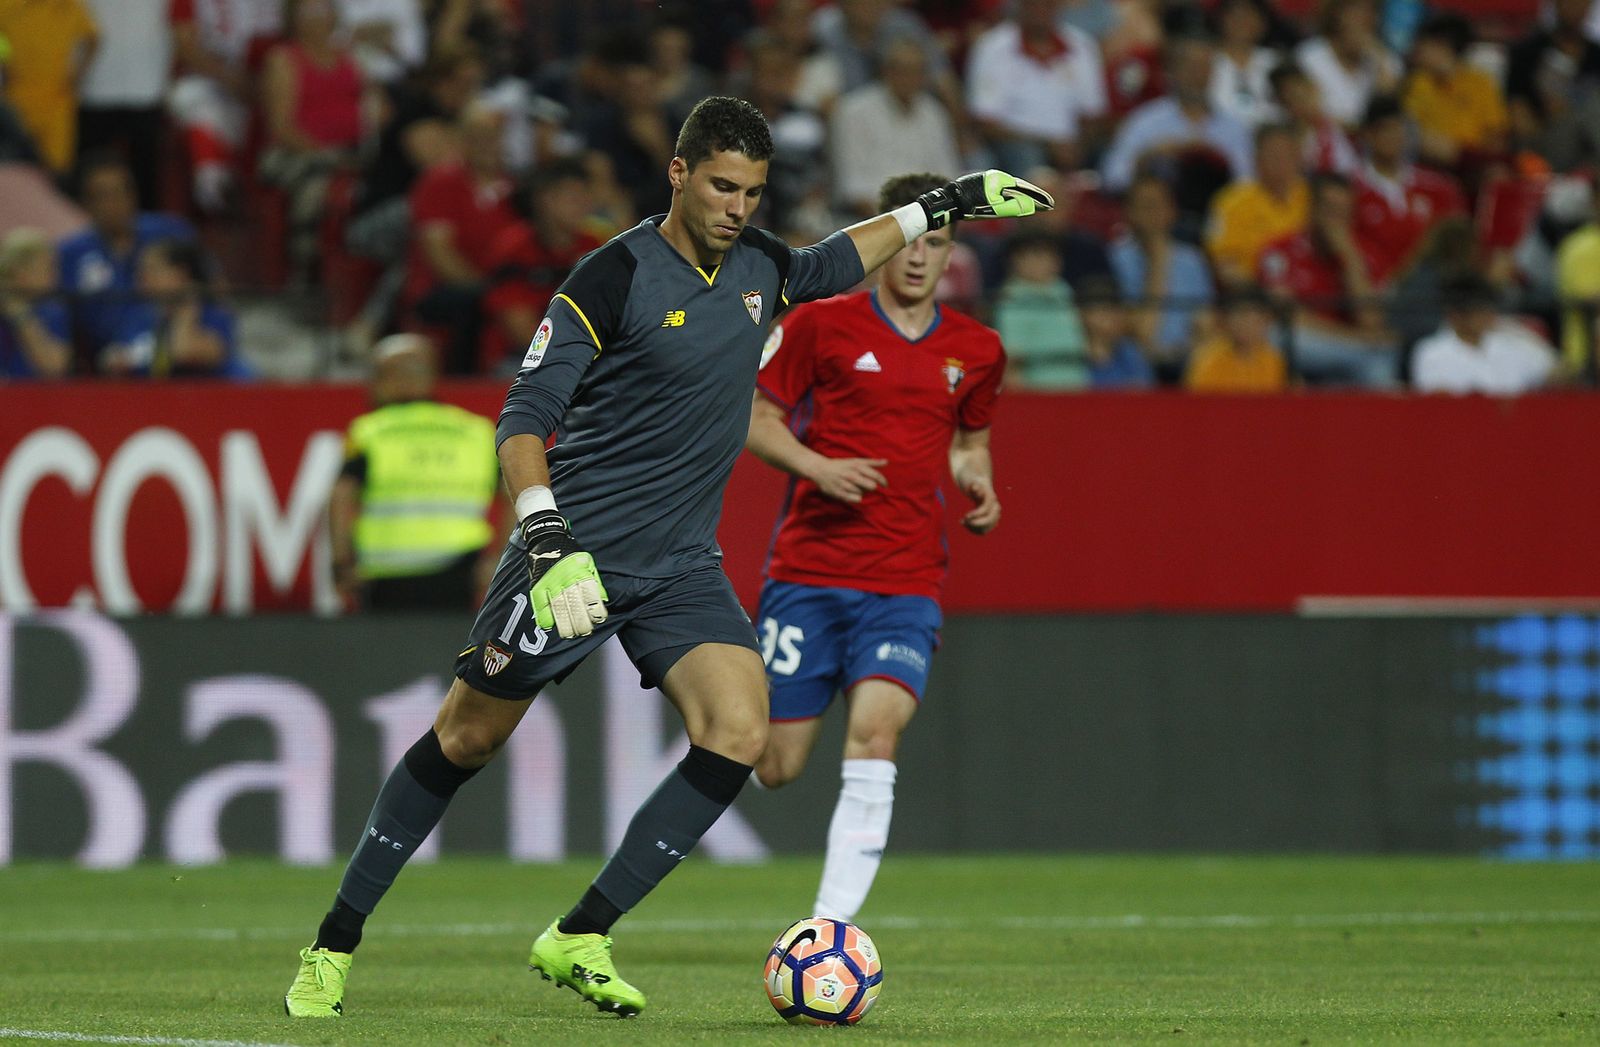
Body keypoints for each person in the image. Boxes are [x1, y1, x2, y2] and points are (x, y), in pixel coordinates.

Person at [281, 95, 1051, 1020]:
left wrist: (950, 202)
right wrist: (546, 537)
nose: (739, 207)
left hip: (681, 564)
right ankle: (332, 943)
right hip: (573, 555)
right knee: (466, 737)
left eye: (756, 192)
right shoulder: (608, 279)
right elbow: (523, 419)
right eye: (724, 185)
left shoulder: (765, 265)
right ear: (679, 174)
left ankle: (580, 933)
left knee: (739, 729)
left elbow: (835, 260)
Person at [744, 171, 1004, 924]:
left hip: (905, 580)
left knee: (877, 729)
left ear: (951, 252)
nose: (920, 257)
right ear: (885, 239)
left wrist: (978, 484)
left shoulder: (977, 349)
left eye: (938, 243)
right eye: (911, 240)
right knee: (775, 765)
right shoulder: (823, 325)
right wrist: (819, 466)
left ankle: (827, 931)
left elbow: (970, 444)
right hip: (809, 572)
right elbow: (756, 418)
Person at [330, 334, 503, 609]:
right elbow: (517, 496)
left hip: (386, 577)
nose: (370, 386)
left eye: (377, 376)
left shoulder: (370, 432)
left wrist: (340, 563)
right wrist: (499, 559)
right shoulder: (477, 432)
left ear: (398, 378)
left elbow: (341, 497)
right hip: (459, 573)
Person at [1258, 172, 1395, 387]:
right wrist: (1359, 340)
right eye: (1331, 211)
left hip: (1351, 357)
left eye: (1344, 213)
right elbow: (1287, 318)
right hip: (1312, 348)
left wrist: (1350, 258)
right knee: (1277, 337)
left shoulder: (1367, 256)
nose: (1337, 221)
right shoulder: (1279, 251)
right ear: (1312, 210)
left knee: (1380, 367)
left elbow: (1371, 321)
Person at [58, 153, 196, 360]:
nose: (114, 203)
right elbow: (58, 318)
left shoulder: (172, 233)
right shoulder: (70, 254)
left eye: (121, 192)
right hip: (106, 368)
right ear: (86, 203)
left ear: (134, 195)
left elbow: (212, 289)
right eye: (103, 195)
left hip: (177, 356)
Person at [480, 159, 604, 373]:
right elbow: (520, 330)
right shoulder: (514, 248)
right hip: (518, 360)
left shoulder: (594, 245)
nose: (586, 206)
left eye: (587, 197)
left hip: (582, 355)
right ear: (545, 201)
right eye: (574, 198)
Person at [966, 0, 1108, 175]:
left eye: (1047, 4)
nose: (1040, 9)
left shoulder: (1082, 46)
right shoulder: (992, 47)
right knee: (1028, 158)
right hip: (1016, 144)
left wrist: (1079, 145)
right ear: (1020, 5)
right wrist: (1048, 145)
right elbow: (985, 123)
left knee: (1110, 153)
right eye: (1033, 4)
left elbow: (1093, 115)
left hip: (1071, 144)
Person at [831, 37, 961, 220]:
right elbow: (853, 189)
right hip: (870, 220)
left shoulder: (934, 112)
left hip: (928, 219)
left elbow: (946, 176)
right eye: (903, 70)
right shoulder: (854, 111)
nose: (910, 79)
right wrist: (896, 227)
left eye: (917, 71)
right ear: (886, 71)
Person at [1109, 174, 1215, 380]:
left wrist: (1191, 349)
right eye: (1146, 206)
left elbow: (1205, 320)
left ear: (1172, 211)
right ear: (1129, 212)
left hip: (1186, 356)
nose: (1154, 214)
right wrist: (1158, 261)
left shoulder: (1192, 259)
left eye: (1160, 205)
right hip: (1138, 358)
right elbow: (1139, 331)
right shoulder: (1116, 259)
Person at [98, 237, 247, 378]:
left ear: (180, 274)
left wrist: (187, 312)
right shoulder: (139, 316)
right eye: (140, 270)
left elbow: (184, 352)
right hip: (151, 399)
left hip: (205, 400)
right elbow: (112, 357)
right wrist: (114, 358)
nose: (142, 277)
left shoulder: (214, 315)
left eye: (153, 269)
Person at [1206, 123, 1311, 290]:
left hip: (1309, 291)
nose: (1280, 162)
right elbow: (1224, 266)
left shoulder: (1314, 199)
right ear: (1256, 159)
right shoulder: (1230, 201)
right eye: (1273, 154)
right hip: (1252, 296)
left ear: (1299, 158)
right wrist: (1263, 293)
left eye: (1287, 154)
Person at [1411, 276, 1558, 395]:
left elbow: (1555, 373)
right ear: (1455, 315)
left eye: (1487, 310)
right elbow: (1437, 398)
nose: (1486, 317)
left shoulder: (1512, 342)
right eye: (1478, 311)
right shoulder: (1431, 352)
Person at [0, 0, 98, 175]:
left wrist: (78, 75)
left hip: (57, 99)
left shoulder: (68, 5)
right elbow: (2, 39)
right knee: (16, 162)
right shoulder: (7, 5)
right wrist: (5, 62)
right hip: (17, 98)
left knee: (58, 166)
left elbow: (93, 37)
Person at [1184, 285, 1288, 392]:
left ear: (1266, 321)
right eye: (1238, 316)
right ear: (1227, 321)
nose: (1243, 325)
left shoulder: (1275, 361)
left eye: (1250, 319)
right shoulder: (1209, 360)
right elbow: (1197, 403)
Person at [0, 229, 72, 380]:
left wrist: (20, 315)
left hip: (34, 396)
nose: (54, 276)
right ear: (21, 272)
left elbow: (54, 367)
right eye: (47, 268)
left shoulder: (53, 311)